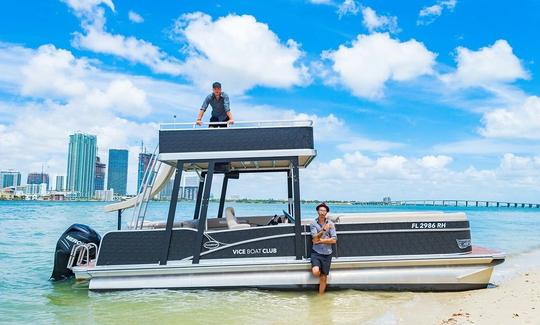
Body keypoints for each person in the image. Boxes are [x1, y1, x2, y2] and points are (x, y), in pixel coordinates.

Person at [309, 202, 337, 294]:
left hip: (327, 253)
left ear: (326, 213)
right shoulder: (313, 223)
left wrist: (321, 241)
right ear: (317, 211)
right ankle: (320, 270)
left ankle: (321, 297)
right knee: (315, 272)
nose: (322, 212)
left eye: (324, 211)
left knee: (323, 278)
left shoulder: (331, 224)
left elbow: (334, 240)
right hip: (316, 252)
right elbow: (314, 238)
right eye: (321, 210)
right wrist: (323, 230)